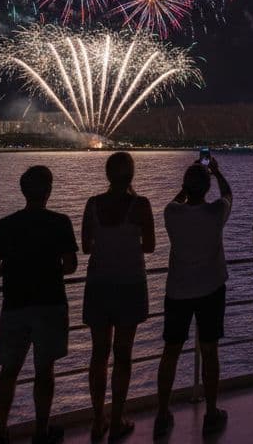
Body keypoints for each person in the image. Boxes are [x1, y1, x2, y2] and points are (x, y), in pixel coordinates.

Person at [0, 166, 78, 444]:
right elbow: (70, 265)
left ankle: (0, 433)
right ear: (48, 191)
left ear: (23, 191)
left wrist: (15, 269)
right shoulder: (60, 222)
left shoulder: (5, 224)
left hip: (14, 305)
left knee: (9, 371)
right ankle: (41, 431)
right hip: (50, 304)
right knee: (44, 371)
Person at [155, 157, 233, 438]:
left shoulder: (172, 213)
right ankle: (211, 412)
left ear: (186, 188)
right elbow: (228, 195)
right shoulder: (215, 213)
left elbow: (175, 202)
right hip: (211, 289)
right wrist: (217, 171)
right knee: (210, 351)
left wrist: (184, 189)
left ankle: (162, 414)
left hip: (177, 292)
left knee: (170, 352)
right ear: (207, 187)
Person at [81, 152, 155, 441]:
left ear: (107, 174)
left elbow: (86, 247)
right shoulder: (141, 205)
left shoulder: (93, 204)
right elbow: (149, 246)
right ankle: (116, 419)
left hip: (98, 283)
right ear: (132, 175)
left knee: (98, 354)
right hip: (130, 283)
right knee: (123, 355)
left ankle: (97, 419)